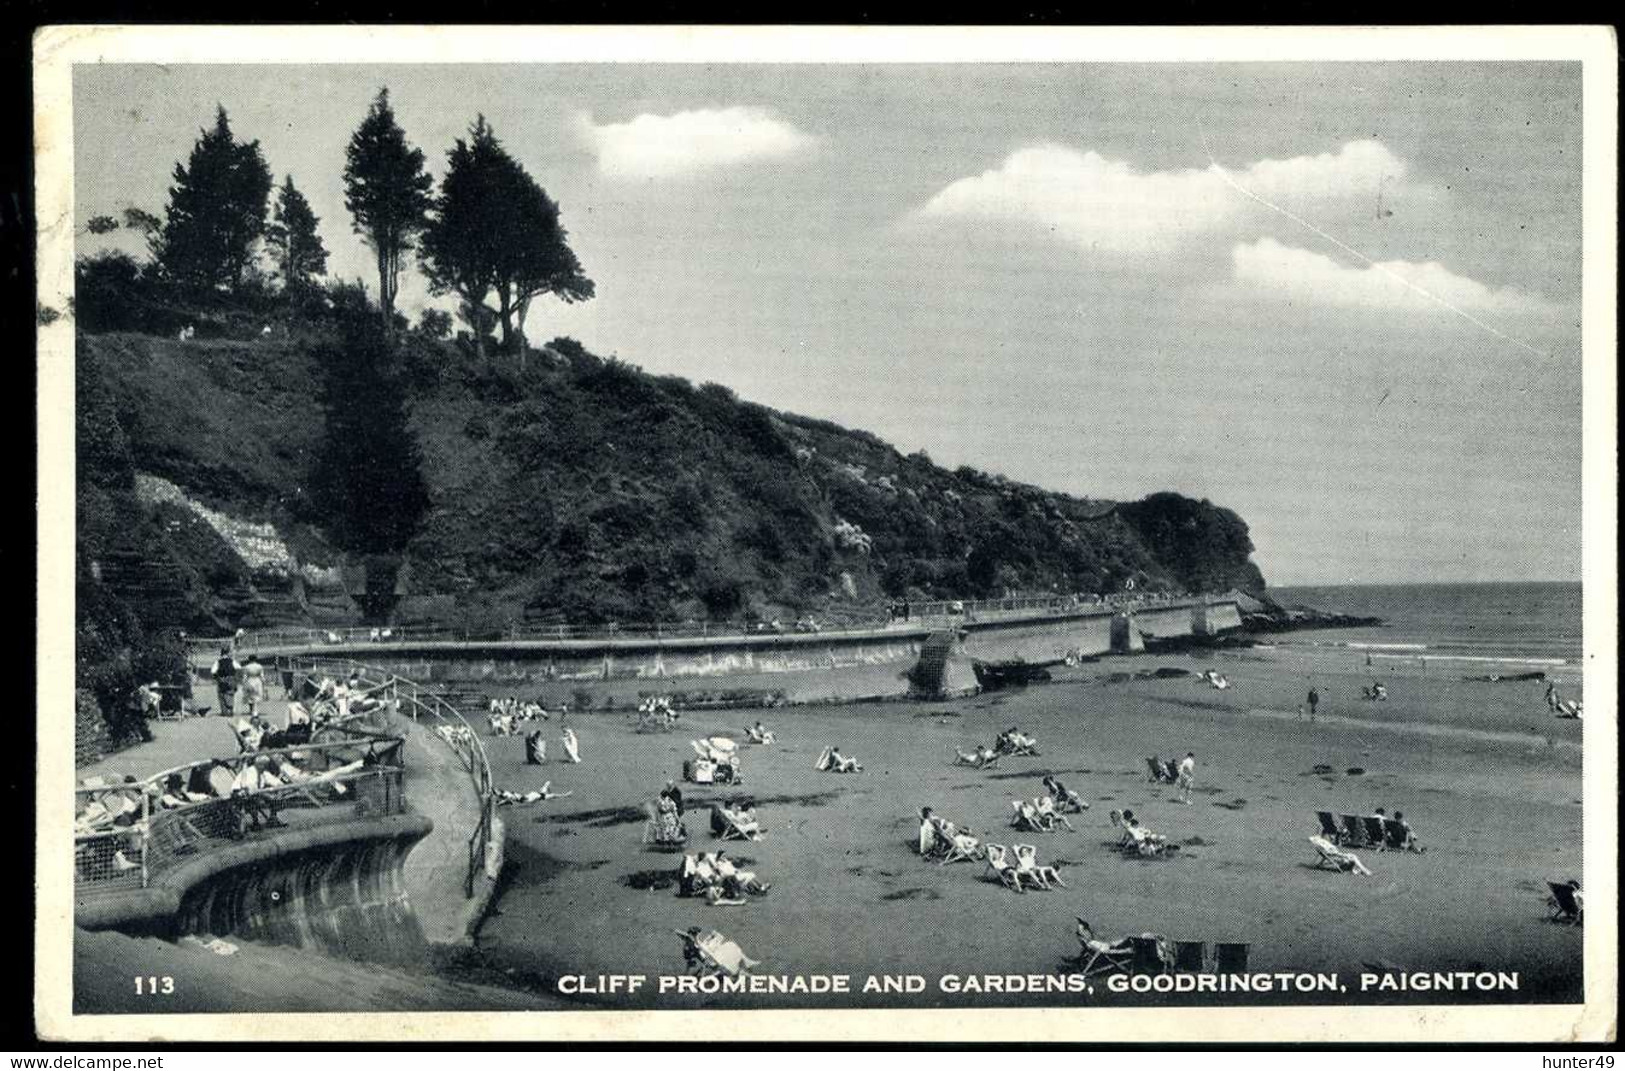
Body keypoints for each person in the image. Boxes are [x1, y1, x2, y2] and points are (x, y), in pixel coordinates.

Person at [213, 647, 239, 718]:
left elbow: (213, 671)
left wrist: (217, 678)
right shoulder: (232, 661)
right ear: (228, 653)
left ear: (221, 653)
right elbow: (238, 668)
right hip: (231, 678)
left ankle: (224, 711)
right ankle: (230, 709)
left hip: (221, 678)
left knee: (222, 695)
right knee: (230, 694)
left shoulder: (218, 661)